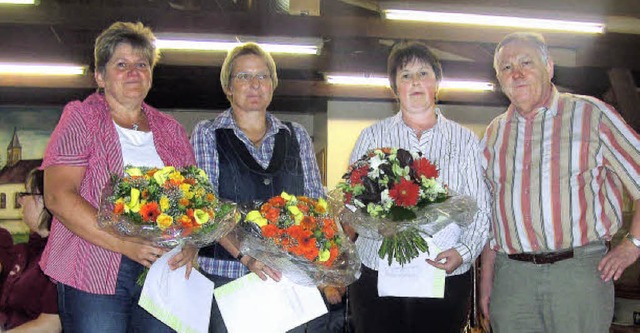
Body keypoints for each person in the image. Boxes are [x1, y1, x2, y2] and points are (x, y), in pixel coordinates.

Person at [41, 21, 197, 332]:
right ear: (100, 76)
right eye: (121, 64)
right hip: (92, 270)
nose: (134, 73)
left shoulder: (172, 130)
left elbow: (192, 202)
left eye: (142, 64)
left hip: (162, 272)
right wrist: (125, 244)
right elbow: (58, 196)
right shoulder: (81, 118)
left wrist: (192, 245)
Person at [479, 32, 640, 333]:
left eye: (526, 62)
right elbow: (492, 216)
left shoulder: (591, 114)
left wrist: (633, 245)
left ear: (549, 67)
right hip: (512, 277)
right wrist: (487, 279)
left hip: (578, 272)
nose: (517, 73)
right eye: (506, 67)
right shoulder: (493, 134)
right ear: (499, 79)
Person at [190, 42, 341, 333]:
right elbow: (208, 207)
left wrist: (328, 270)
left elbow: (316, 206)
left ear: (273, 85)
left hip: (291, 280)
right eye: (243, 76)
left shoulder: (296, 135)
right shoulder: (208, 133)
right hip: (229, 277)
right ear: (228, 86)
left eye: (262, 76)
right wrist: (246, 255)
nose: (254, 84)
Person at [347, 40, 491, 333]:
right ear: (394, 88)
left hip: (445, 273)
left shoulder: (464, 141)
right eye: (405, 75)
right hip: (378, 273)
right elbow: (352, 205)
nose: (415, 81)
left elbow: (481, 208)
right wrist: (383, 228)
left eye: (423, 73)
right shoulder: (372, 136)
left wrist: (463, 251)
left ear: (437, 83)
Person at [0, 169, 61, 332]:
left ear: (44, 200)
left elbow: (51, 325)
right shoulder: (25, 250)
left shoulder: (60, 256)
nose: (20, 201)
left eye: (24, 194)